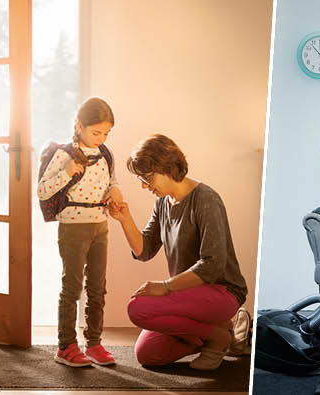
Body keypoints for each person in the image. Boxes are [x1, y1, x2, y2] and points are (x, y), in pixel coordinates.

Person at [107, 134, 249, 370]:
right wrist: (125, 219)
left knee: (138, 308)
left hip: (223, 292)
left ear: (166, 167)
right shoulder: (163, 203)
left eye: (147, 178)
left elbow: (211, 266)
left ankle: (219, 337)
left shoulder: (207, 200)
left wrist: (164, 287)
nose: (144, 185)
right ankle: (220, 333)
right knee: (148, 354)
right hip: (187, 296)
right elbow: (145, 250)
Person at [39, 97, 123, 367]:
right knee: (72, 287)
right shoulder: (64, 154)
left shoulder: (106, 154)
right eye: (96, 132)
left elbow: (112, 182)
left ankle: (94, 343)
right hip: (73, 228)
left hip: (100, 226)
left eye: (106, 133)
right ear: (79, 125)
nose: (101, 138)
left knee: (98, 288)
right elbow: (42, 191)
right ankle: (66, 346)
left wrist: (115, 191)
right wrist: (66, 173)